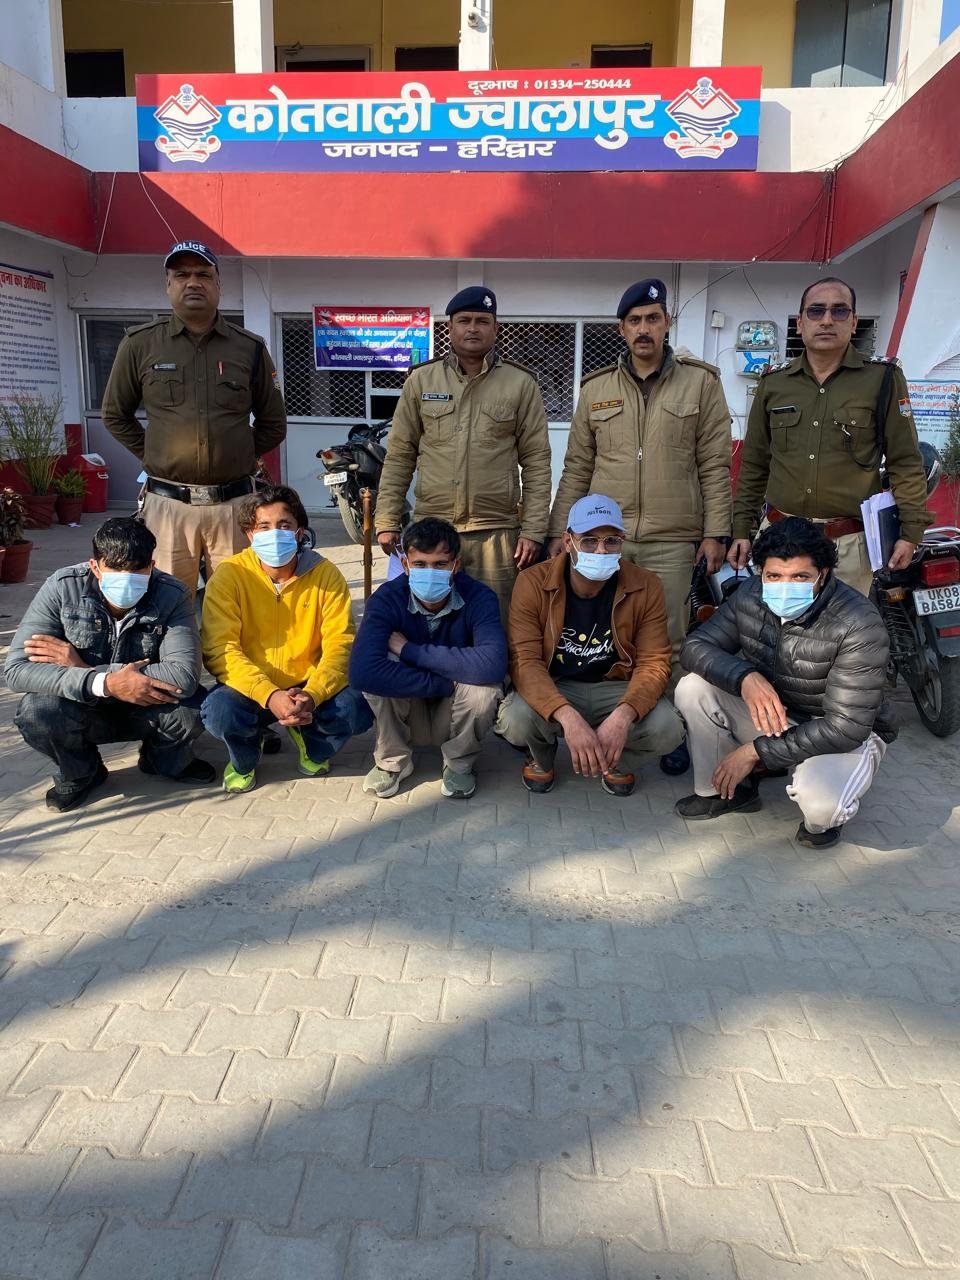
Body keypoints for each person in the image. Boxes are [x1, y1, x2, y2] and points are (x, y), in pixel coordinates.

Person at [546, 279, 733, 775]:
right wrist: (559, 532)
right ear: (622, 329)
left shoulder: (701, 384)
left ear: (667, 323)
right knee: (605, 632)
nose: (644, 328)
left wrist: (716, 531)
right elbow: (577, 467)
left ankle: (662, 726)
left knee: (667, 640)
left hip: (673, 537)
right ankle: (612, 725)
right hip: (604, 540)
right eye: (634, 321)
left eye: (653, 318)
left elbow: (715, 464)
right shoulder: (596, 389)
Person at [675, 517, 894, 848]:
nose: (784, 586)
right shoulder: (751, 594)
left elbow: (847, 727)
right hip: (779, 713)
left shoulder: (859, 622)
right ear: (761, 571)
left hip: (841, 731)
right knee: (693, 688)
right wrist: (745, 677)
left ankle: (828, 808)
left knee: (821, 809)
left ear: (823, 575)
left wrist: (754, 751)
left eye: (800, 577)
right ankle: (727, 792)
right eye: (774, 576)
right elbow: (695, 647)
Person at [101, 240, 287, 598]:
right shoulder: (140, 344)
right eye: (181, 275)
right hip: (168, 508)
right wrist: (154, 454)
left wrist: (238, 453)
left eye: (203, 274)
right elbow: (115, 414)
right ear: (168, 285)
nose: (193, 282)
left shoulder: (249, 348)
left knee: (238, 604)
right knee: (168, 605)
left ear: (218, 285)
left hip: (234, 508)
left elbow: (274, 423)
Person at [729, 276, 931, 595]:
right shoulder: (774, 383)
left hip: (847, 546)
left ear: (854, 322)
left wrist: (910, 533)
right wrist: (741, 529)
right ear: (800, 323)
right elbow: (754, 464)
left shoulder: (882, 379)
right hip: (780, 541)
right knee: (777, 625)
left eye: (839, 311)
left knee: (844, 627)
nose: (826, 320)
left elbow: (904, 462)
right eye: (816, 311)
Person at [4, 517, 212, 812]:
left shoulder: (172, 594)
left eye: (137, 569)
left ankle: (162, 759)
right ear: (95, 566)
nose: (126, 578)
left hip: (144, 702)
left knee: (194, 709)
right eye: (115, 568)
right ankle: (82, 772)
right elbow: (17, 670)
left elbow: (184, 674)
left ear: (151, 566)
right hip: (80, 704)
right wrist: (102, 683)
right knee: (37, 712)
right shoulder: (62, 588)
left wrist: (81, 667)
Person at [374, 286, 552, 622]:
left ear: (495, 328)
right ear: (450, 327)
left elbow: (537, 462)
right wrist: (386, 519)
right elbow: (399, 455)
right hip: (432, 529)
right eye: (464, 320)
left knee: (496, 622)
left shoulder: (520, 383)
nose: (473, 328)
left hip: (496, 536)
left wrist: (533, 530)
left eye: (482, 321)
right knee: (430, 622)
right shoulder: (422, 381)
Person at [496, 494, 684, 797]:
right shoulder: (532, 582)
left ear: (622, 541)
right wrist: (568, 718)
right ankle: (541, 756)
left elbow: (654, 662)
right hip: (558, 682)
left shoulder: (646, 584)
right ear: (567, 542)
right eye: (589, 541)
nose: (601, 550)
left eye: (611, 541)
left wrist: (623, 717)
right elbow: (524, 661)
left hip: (616, 686)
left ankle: (615, 761)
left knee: (669, 728)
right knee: (514, 719)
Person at [200, 484, 372, 794]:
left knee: (357, 708)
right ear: (250, 534)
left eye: (284, 524)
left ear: (299, 532)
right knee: (218, 712)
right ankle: (245, 757)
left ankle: (313, 743)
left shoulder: (326, 575)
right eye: (263, 526)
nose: (274, 533)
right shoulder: (229, 575)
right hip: (249, 687)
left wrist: (313, 694)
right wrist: (269, 695)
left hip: (308, 687)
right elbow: (220, 649)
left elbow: (341, 645)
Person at [349, 517, 507, 799]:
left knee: (484, 690)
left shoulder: (479, 597)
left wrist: (410, 650)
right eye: (420, 564)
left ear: (456, 565)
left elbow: (493, 664)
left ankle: (458, 764)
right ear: (405, 565)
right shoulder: (387, 598)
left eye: (440, 564)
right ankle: (392, 761)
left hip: (453, 709)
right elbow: (362, 672)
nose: (429, 572)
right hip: (413, 704)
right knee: (380, 671)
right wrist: (444, 682)